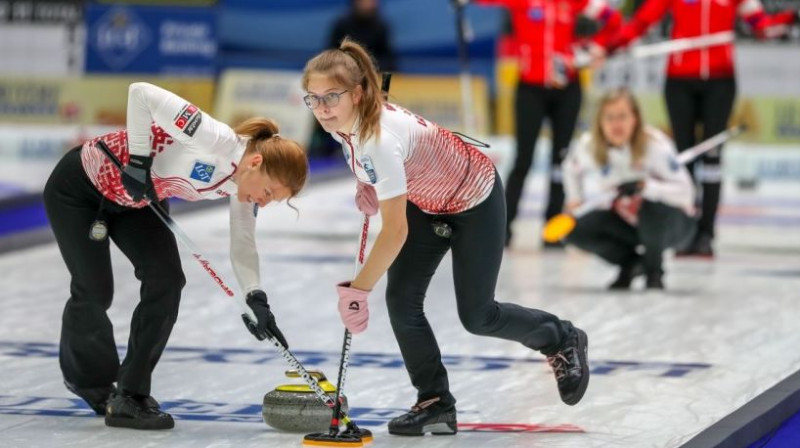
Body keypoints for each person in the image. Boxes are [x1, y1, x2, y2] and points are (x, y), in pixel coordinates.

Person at [301, 38, 590, 436]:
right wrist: (368, 182)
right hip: (428, 201)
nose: (321, 109)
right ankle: (435, 401)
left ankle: (560, 337)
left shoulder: (378, 139)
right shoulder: (345, 123)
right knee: (402, 301)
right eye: (312, 99)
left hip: (475, 199)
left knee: (478, 316)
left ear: (357, 93)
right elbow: (379, 162)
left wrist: (358, 288)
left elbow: (395, 230)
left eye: (331, 97)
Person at [42, 82, 307, 430]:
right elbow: (141, 93)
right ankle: (89, 380)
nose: (265, 201)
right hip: (79, 188)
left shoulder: (241, 186)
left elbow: (243, 241)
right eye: (269, 192)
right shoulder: (215, 139)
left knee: (167, 280)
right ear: (255, 162)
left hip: (138, 201)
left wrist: (256, 297)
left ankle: (130, 394)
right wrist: (138, 162)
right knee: (94, 290)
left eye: (274, 199)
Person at [603, 0, 799, 257]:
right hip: (680, 80)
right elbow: (643, 21)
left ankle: (706, 233)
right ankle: (684, 231)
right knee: (683, 159)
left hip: (720, 81)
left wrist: (789, 18)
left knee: (712, 158)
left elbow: (761, 26)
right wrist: (612, 45)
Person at [474, 0, 622, 248]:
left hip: (567, 89)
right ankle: (504, 227)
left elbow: (613, 20)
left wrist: (595, 48)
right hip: (530, 89)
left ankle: (552, 229)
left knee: (560, 160)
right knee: (523, 158)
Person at [562, 89, 696, 289]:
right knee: (572, 228)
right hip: (628, 220)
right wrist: (575, 198)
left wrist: (646, 187)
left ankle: (654, 272)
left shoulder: (654, 146)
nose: (616, 124)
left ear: (635, 119)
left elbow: (686, 193)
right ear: (600, 121)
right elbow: (570, 168)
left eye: (623, 116)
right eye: (610, 117)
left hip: (673, 224)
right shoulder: (589, 146)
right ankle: (632, 264)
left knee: (650, 207)